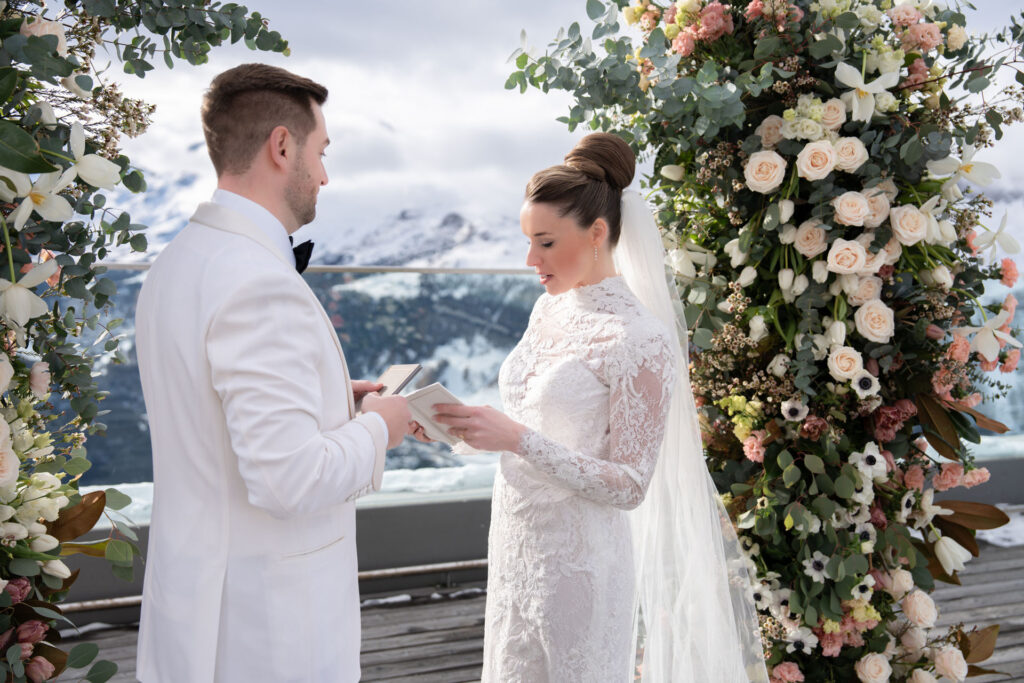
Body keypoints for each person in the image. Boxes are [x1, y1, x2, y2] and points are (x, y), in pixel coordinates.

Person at [434, 133, 769, 681]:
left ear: (597, 233)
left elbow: (629, 485)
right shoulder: (548, 310)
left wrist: (514, 438)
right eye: (527, 241)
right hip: (516, 542)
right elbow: (535, 417)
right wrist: (464, 427)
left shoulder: (642, 339)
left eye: (544, 242)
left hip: (580, 566)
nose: (529, 260)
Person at [134, 63, 415, 683]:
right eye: (321, 151)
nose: (325, 174)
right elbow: (287, 481)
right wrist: (379, 428)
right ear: (282, 146)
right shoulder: (260, 282)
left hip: (197, 598)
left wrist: (333, 399)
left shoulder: (176, 263)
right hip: (270, 630)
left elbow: (208, 406)